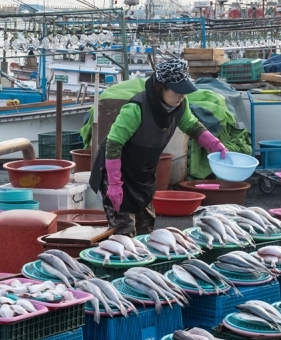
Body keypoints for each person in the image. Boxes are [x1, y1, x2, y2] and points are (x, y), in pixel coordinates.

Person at [90, 59, 228, 235]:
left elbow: (192, 126)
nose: (182, 97)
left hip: (144, 174)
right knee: (124, 231)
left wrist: (214, 144)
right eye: (177, 92)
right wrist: (115, 184)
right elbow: (114, 144)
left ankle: (145, 262)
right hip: (117, 171)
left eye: (184, 92)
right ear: (161, 87)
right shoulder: (136, 108)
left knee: (146, 228)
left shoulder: (180, 106)